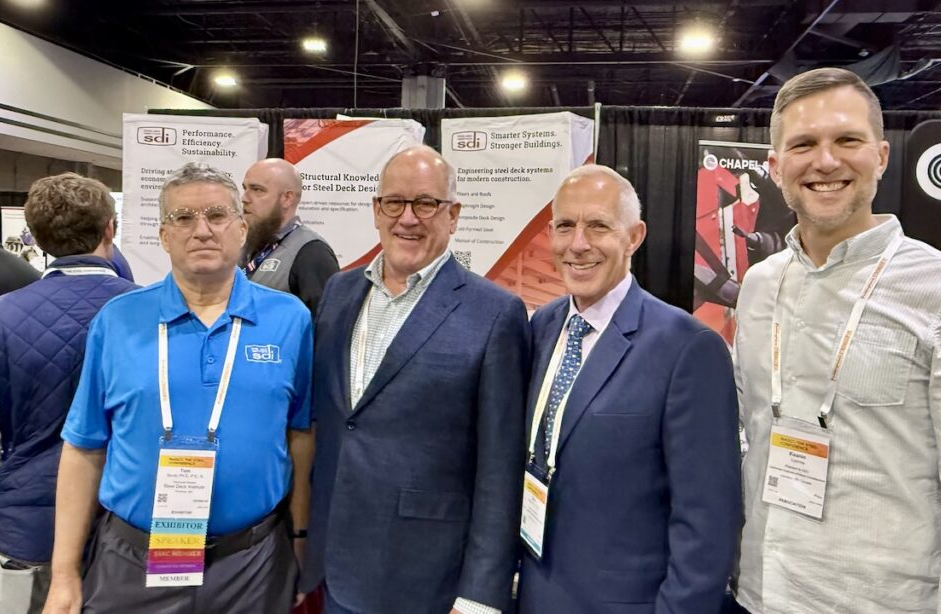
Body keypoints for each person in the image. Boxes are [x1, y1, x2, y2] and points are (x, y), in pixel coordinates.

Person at [732, 67, 941, 613]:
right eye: (803, 144)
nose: (825, 161)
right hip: (761, 594)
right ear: (774, 167)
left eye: (847, 140)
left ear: (882, 156)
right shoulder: (760, 285)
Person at [43, 162, 314, 614]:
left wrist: (302, 540)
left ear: (242, 227)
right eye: (183, 218)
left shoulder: (290, 320)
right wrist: (64, 575)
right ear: (163, 236)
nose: (201, 230)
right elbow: (84, 449)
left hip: (253, 565)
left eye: (216, 215)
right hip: (133, 562)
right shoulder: (118, 321)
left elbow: (300, 436)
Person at [301, 145, 529, 614]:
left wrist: (482, 593)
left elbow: (499, 468)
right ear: (376, 211)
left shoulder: (495, 313)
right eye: (394, 203)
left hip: (427, 579)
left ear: (453, 215)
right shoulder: (339, 293)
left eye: (426, 203)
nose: (408, 218)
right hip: (335, 566)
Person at [516, 165, 741, 614]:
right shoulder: (543, 326)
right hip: (538, 594)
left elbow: (707, 521)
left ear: (634, 237)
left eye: (598, 225)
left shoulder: (688, 348)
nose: (578, 244)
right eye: (566, 226)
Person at [0, 173, 137, 614]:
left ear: (37, 237)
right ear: (109, 228)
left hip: (30, 523)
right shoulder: (150, 311)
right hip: (128, 522)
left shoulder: (2, 316)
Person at [242, 158, 339, 316]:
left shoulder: (312, 253)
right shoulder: (244, 245)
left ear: (287, 198)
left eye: (257, 190)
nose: (244, 198)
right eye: (245, 188)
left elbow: (328, 327)